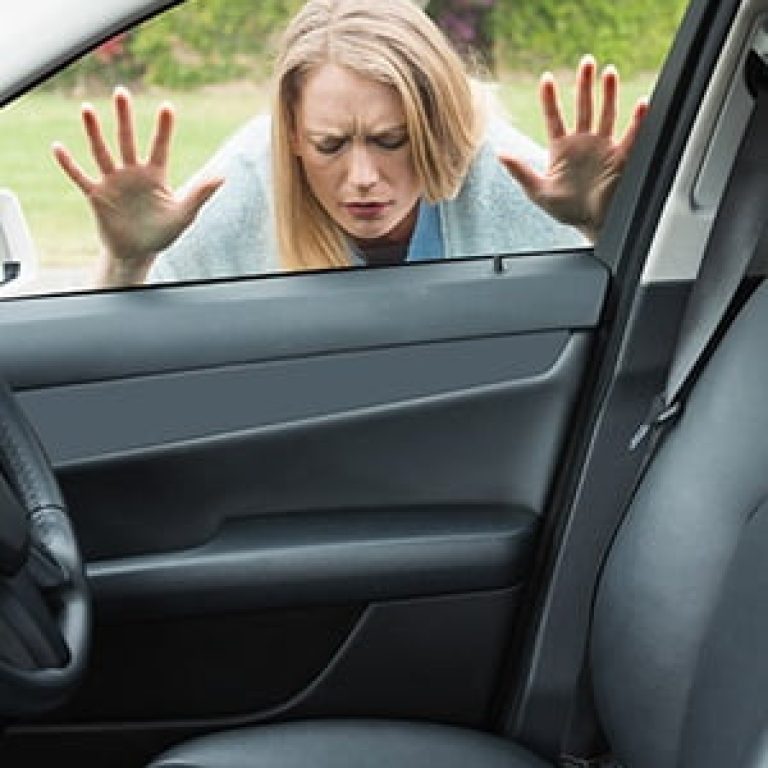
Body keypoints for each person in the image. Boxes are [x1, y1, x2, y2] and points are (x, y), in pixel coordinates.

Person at [52, 0, 648, 287]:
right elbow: (131, 367)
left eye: (391, 140)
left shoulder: (507, 176)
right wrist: (129, 260)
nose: (362, 176)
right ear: (290, 134)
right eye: (329, 145)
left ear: (440, 126)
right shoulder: (246, 180)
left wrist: (604, 229)